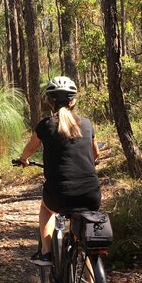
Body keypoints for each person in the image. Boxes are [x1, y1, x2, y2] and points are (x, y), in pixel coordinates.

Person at [18, 76, 101, 265]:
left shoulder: (45, 125)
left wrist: (24, 160)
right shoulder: (87, 124)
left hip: (58, 195)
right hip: (91, 194)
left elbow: (30, 149)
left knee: (47, 210)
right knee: (82, 234)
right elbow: (95, 154)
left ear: (49, 101)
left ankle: (46, 253)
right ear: (73, 101)